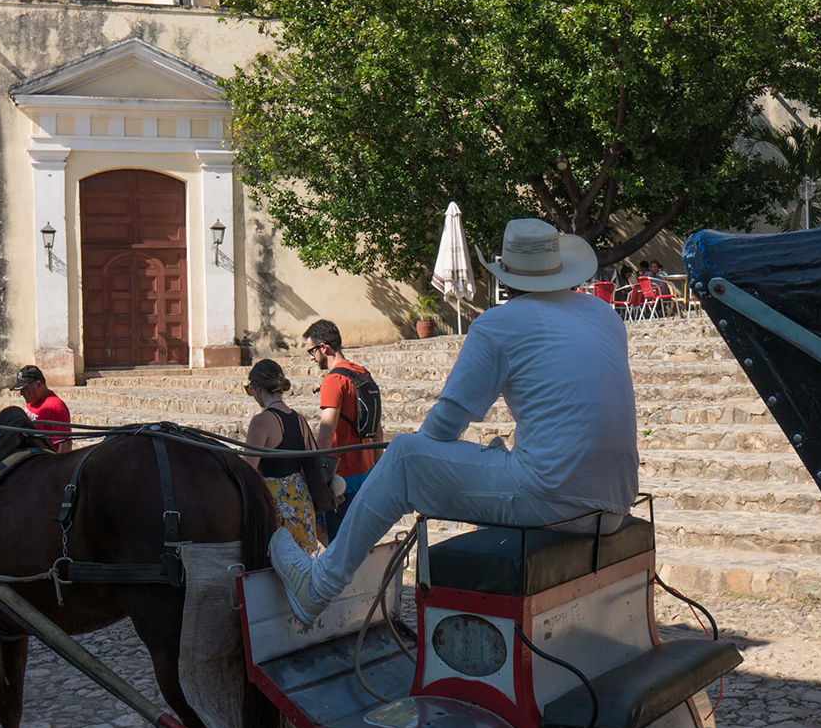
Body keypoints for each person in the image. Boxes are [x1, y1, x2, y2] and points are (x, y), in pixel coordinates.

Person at [271, 218, 639, 625]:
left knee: (407, 455)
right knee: (481, 454)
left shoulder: (500, 323)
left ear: (507, 279)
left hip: (554, 497)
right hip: (616, 500)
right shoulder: (604, 316)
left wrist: (422, 469)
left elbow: (443, 428)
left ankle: (319, 584)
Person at [302, 318, 380, 537]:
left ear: (323, 347)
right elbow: (377, 429)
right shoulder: (362, 373)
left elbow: (326, 436)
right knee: (355, 538)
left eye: (311, 351)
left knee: (338, 540)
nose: (311, 357)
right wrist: (377, 470)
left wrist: (314, 474)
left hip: (341, 477)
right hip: (365, 470)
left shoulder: (334, 380)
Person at [242, 359, 328, 555]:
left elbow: (248, 470)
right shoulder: (300, 419)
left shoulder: (262, 421)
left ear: (257, 388)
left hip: (275, 506)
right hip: (302, 504)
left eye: (250, 389)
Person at [11, 365, 72, 451]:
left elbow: (65, 443)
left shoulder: (55, 407)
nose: (21, 394)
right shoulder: (32, 401)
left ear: (38, 385)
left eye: (25, 389)